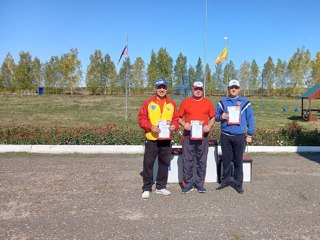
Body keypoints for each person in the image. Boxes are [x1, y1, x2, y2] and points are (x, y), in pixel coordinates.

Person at [138, 78, 179, 200]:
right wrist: (150, 127)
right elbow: (141, 118)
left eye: (164, 87)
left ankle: (161, 186)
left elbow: (176, 119)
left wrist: (174, 126)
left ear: (167, 89)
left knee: (164, 163)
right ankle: (146, 187)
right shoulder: (148, 103)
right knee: (148, 163)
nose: (162, 90)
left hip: (166, 139)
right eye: (159, 87)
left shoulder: (171, 103)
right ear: (155, 89)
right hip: (152, 138)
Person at [215, 79, 255, 194]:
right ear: (228, 88)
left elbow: (250, 119)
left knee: (238, 160)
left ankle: (238, 183)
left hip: (239, 136)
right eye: (231, 87)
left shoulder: (245, 102)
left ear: (239, 89)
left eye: (236, 87)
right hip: (225, 135)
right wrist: (221, 116)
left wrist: (250, 134)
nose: (233, 89)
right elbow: (215, 116)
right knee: (226, 159)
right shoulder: (222, 102)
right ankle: (225, 181)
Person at [178, 81, 216, 193]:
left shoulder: (208, 103)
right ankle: (188, 184)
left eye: (200, 89)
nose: (198, 91)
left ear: (203, 90)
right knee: (187, 160)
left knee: (201, 161)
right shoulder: (186, 102)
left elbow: (213, 117)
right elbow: (178, 117)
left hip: (203, 136)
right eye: (196, 89)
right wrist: (185, 124)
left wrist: (209, 126)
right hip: (188, 136)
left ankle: (199, 184)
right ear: (192, 89)